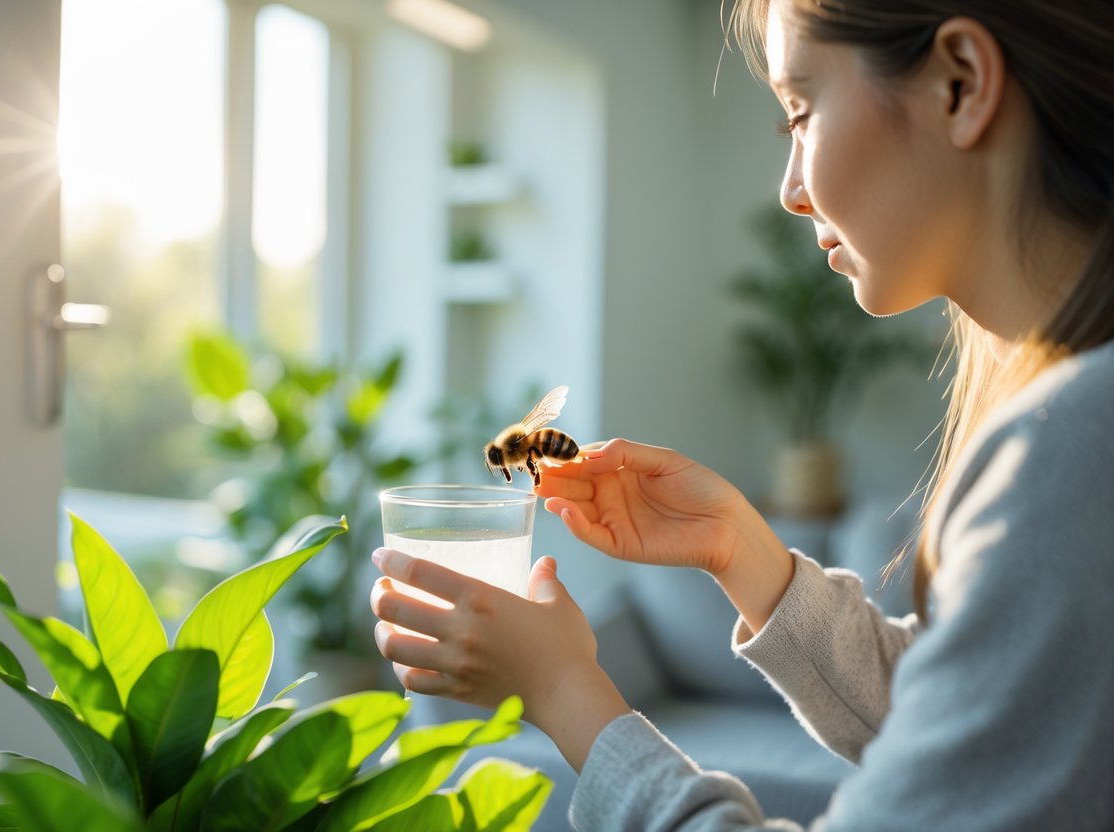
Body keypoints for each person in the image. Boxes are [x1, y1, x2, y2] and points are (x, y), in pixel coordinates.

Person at [369, 0, 1114, 828]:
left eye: (800, 111)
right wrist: (741, 547)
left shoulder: (1075, 451)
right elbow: (980, 722)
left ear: (958, 84)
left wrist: (562, 691)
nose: (791, 191)